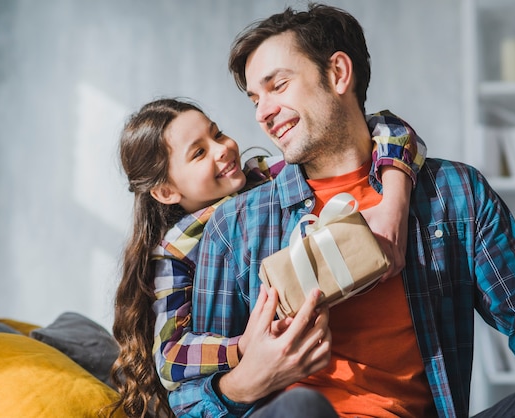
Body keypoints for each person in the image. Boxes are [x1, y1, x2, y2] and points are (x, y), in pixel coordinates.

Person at [174, 3, 515, 418]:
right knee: (302, 407)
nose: (262, 113)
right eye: (254, 99)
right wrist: (247, 382)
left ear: (338, 73)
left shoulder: (455, 194)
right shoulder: (235, 227)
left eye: (278, 86)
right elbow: (189, 400)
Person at [109, 97, 427, 417]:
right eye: (199, 153)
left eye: (217, 134)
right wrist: (242, 348)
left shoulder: (266, 177)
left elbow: (387, 126)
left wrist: (394, 203)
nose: (222, 149)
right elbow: (171, 358)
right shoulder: (174, 253)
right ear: (166, 192)